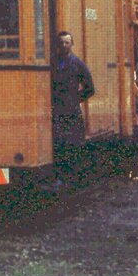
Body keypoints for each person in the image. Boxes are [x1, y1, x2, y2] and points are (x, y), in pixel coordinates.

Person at [51, 31, 95, 186]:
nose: (64, 45)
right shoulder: (52, 63)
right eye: (61, 42)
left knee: (74, 145)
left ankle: (74, 179)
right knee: (59, 145)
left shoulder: (77, 64)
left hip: (72, 112)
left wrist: (75, 99)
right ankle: (60, 178)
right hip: (56, 111)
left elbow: (90, 88)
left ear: (71, 44)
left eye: (67, 42)